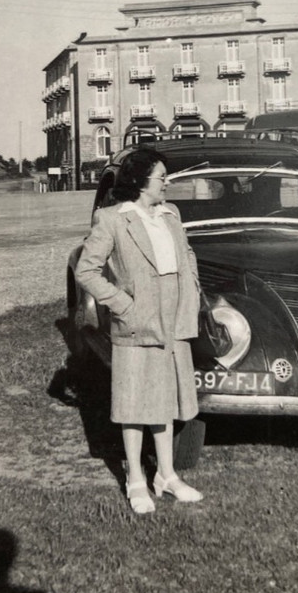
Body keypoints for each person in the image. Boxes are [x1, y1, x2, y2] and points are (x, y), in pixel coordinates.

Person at [75, 148, 203, 515]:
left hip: (174, 319)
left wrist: (190, 288)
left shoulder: (171, 214)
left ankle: (166, 475)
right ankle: (135, 479)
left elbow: (186, 253)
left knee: (165, 400)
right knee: (134, 404)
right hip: (136, 322)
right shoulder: (112, 218)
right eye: (162, 177)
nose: (167, 183)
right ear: (142, 181)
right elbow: (86, 271)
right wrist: (124, 306)